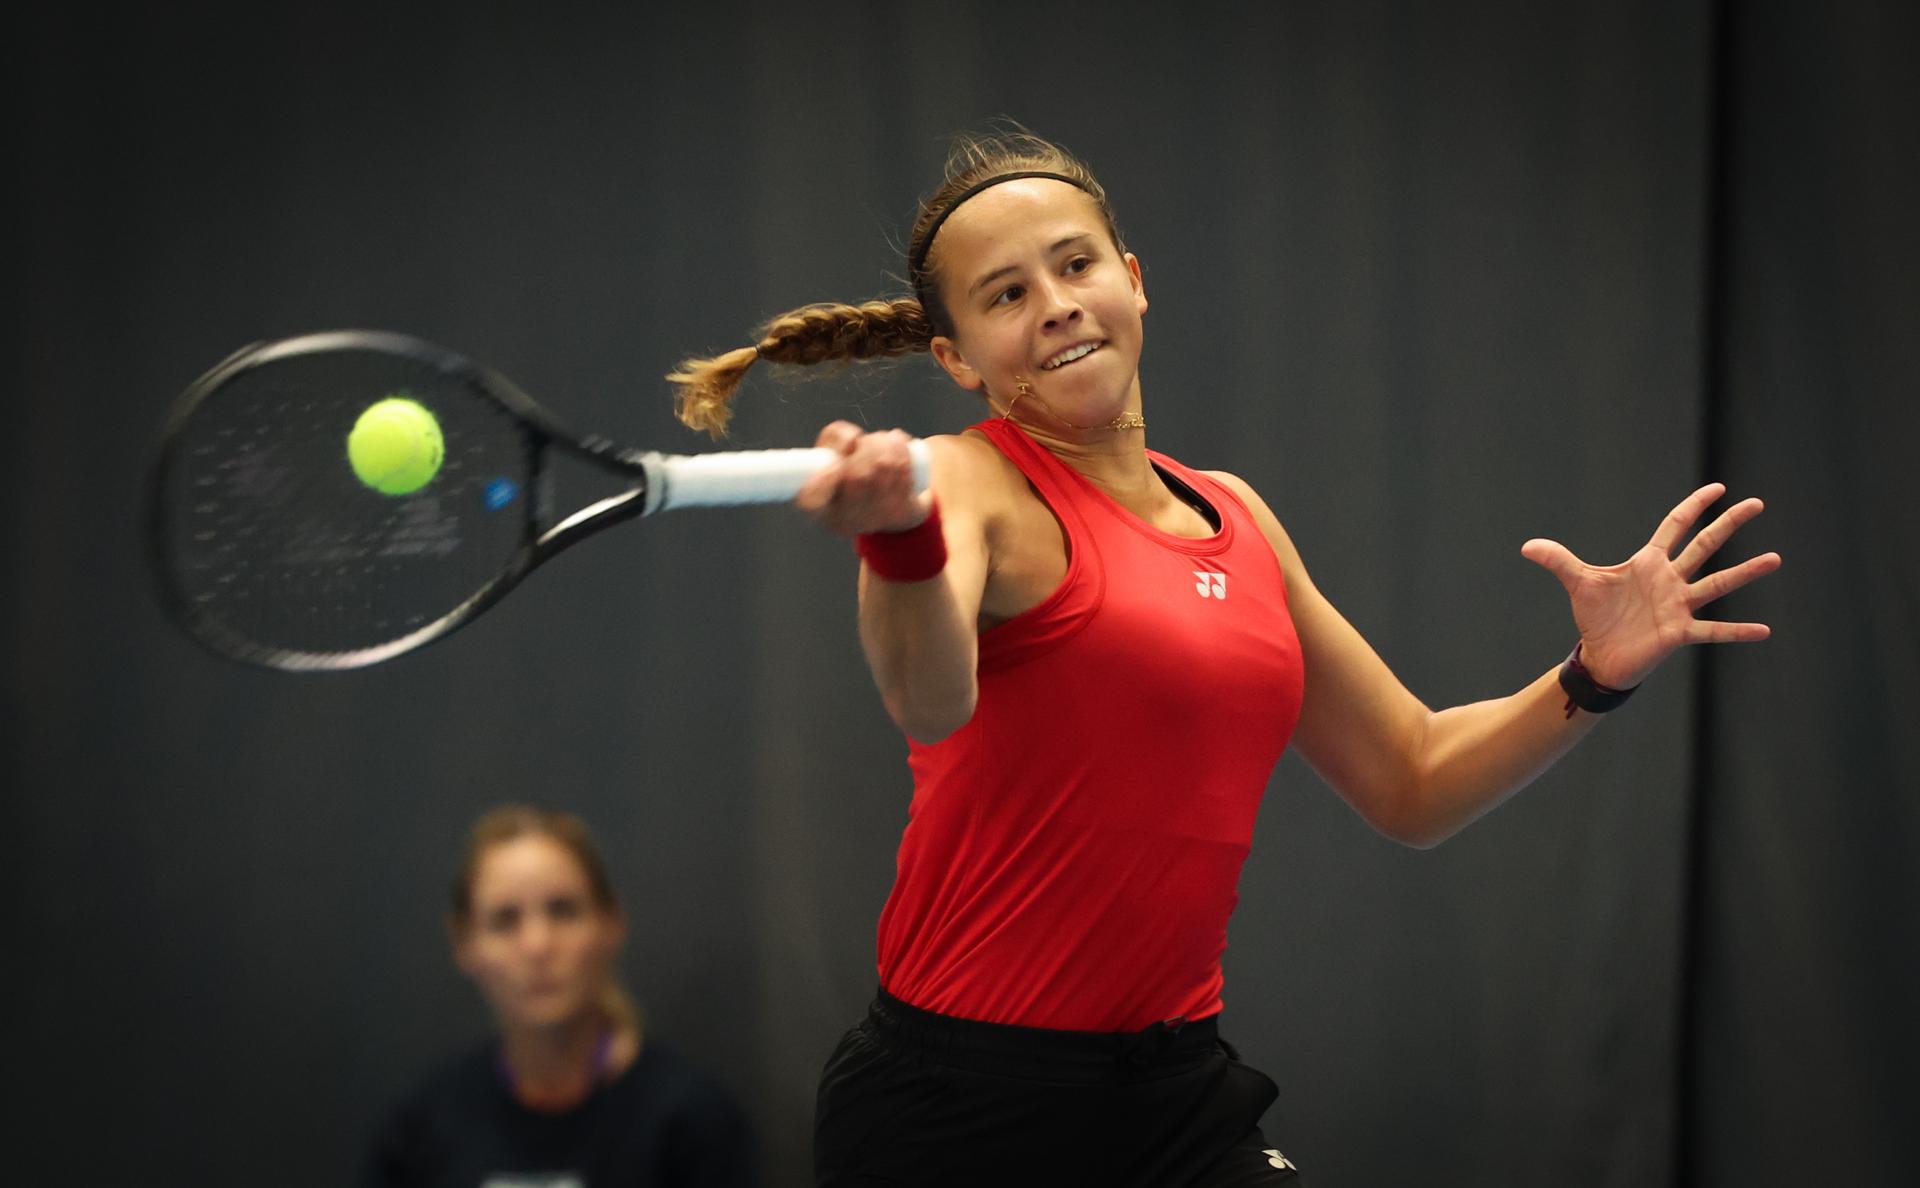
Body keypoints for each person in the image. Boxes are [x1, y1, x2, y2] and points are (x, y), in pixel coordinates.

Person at [668, 129, 1779, 1187]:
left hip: (1174, 1099)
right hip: (957, 1107)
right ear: (956, 355)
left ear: (1134, 278)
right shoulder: (963, 483)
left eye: (1075, 265)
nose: (1055, 307)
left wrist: (1594, 673)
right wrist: (901, 541)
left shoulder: (1237, 517)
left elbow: (1413, 778)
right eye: (1006, 295)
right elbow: (926, 698)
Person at [363, 805, 758, 1188]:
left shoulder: (691, 1123)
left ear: (611, 922)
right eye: (504, 920)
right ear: (464, 943)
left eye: (563, 911)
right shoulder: (419, 1129)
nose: (537, 945)